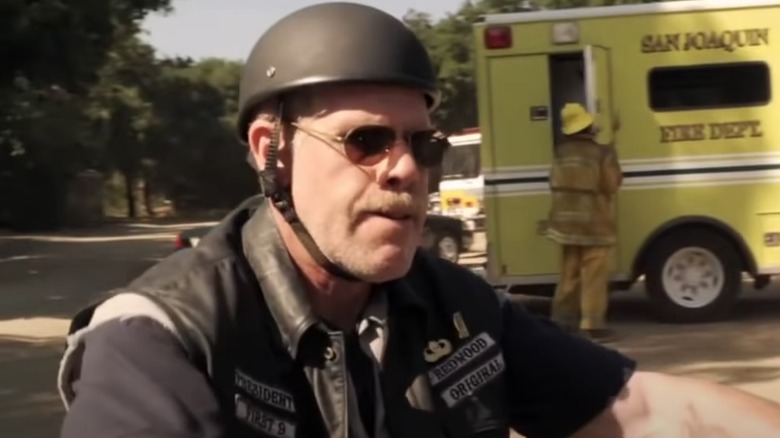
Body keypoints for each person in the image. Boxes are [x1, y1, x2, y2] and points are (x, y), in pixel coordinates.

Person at [57, 3, 780, 438]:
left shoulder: (453, 311)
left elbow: (648, 411)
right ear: (269, 151)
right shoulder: (162, 339)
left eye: (422, 144)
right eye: (366, 141)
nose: (405, 170)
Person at [543, 102, 622, 342]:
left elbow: (553, 183)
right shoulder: (601, 153)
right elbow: (611, 185)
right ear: (588, 126)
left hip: (566, 226)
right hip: (594, 226)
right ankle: (592, 325)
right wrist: (612, 158)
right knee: (594, 276)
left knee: (569, 275)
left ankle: (561, 322)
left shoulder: (560, 153)